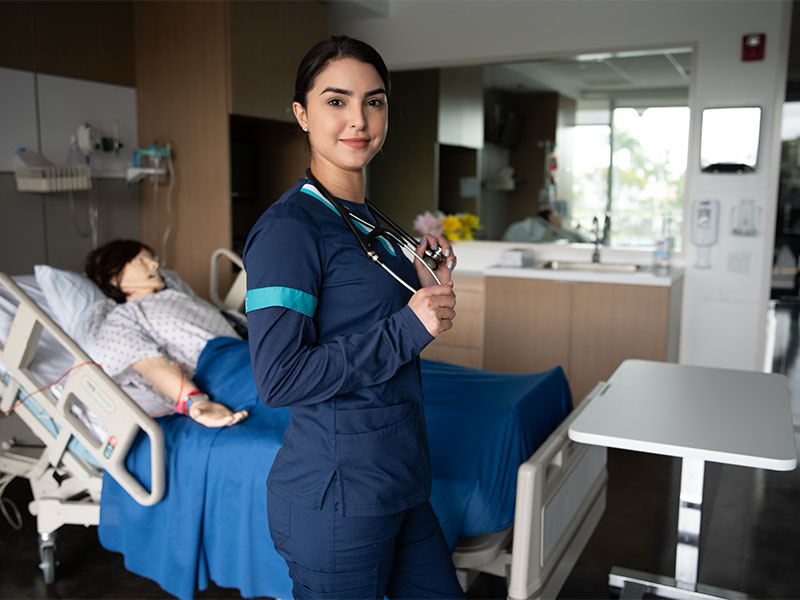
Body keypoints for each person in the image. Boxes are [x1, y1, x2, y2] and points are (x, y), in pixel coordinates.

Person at [244, 36, 464, 599]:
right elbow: (279, 379)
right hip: (338, 498)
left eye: (374, 101)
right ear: (302, 114)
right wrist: (410, 325)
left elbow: (371, 323)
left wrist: (424, 285)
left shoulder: (369, 221)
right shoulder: (289, 230)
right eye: (336, 101)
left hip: (401, 480)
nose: (359, 120)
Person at [85, 239, 248, 428]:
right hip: (219, 369)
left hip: (245, 352)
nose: (155, 265)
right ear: (114, 278)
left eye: (153, 260)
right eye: (142, 261)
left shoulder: (177, 295)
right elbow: (152, 364)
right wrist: (195, 401)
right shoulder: (123, 317)